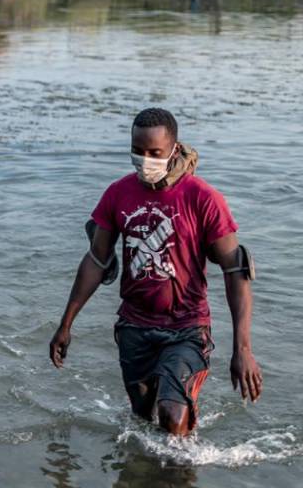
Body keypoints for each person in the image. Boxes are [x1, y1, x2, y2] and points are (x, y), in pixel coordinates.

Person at [49, 108, 263, 436]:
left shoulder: (203, 199)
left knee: (172, 415)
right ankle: (153, 469)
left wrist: (243, 349)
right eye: (137, 151)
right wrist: (65, 324)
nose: (145, 160)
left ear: (174, 150)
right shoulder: (118, 193)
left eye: (154, 153)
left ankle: (183, 463)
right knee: (142, 422)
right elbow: (96, 261)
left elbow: (236, 271)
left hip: (186, 327)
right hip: (134, 328)